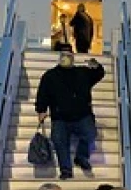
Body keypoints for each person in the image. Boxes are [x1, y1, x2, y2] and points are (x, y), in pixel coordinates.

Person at [35, 51, 105, 180]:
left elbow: (99, 74)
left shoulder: (83, 73)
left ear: (72, 59)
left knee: (90, 134)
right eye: (64, 56)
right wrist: (41, 109)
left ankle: (81, 157)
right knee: (59, 141)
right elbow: (42, 94)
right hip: (60, 117)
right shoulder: (50, 76)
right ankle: (65, 169)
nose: (66, 58)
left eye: (68, 56)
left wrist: (97, 66)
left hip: (82, 115)